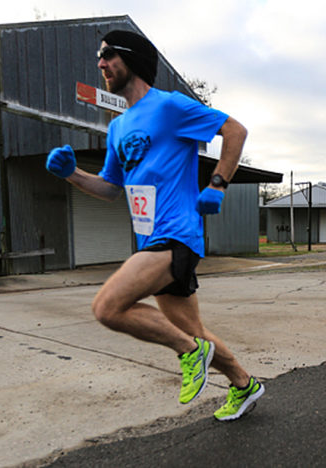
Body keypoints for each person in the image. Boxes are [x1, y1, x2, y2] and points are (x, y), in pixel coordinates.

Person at [45, 30, 263, 421]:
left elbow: (235, 131)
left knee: (107, 307)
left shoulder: (170, 106)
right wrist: (72, 174)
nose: (101, 64)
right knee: (195, 332)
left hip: (176, 234)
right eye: (100, 57)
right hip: (151, 239)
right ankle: (245, 384)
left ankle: (190, 354)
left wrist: (217, 184)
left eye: (108, 55)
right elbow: (111, 188)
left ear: (132, 59)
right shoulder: (117, 128)